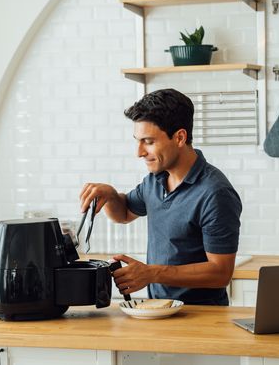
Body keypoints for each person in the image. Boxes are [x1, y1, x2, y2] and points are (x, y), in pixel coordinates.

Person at [79, 88, 241, 306]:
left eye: (148, 141)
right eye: (137, 141)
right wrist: (110, 195)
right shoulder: (154, 180)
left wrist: (152, 273)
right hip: (159, 311)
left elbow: (220, 273)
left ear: (180, 137)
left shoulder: (215, 193)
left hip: (202, 317)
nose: (139, 152)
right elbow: (124, 213)